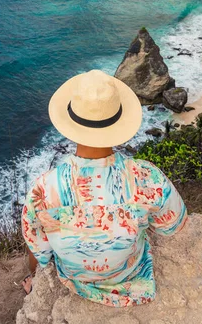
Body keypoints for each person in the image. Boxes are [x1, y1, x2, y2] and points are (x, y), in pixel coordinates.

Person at [21, 69, 187, 307]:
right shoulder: (146, 177)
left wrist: (35, 277)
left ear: (71, 122)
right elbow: (173, 226)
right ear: (118, 122)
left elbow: (39, 250)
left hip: (74, 281)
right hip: (130, 278)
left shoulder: (43, 189)